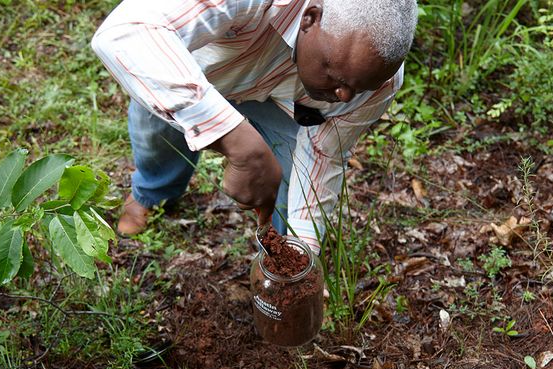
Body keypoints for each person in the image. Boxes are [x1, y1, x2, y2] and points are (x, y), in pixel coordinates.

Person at [92, 0, 418, 253]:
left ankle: (281, 258)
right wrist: (235, 140)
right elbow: (126, 33)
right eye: (336, 77)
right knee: (157, 135)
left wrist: (305, 248)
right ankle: (152, 192)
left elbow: (324, 157)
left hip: (280, 102)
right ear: (310, 18)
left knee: (292, 188)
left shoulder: (381, 83)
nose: (344, 95)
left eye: (356, 88)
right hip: (196, 76)